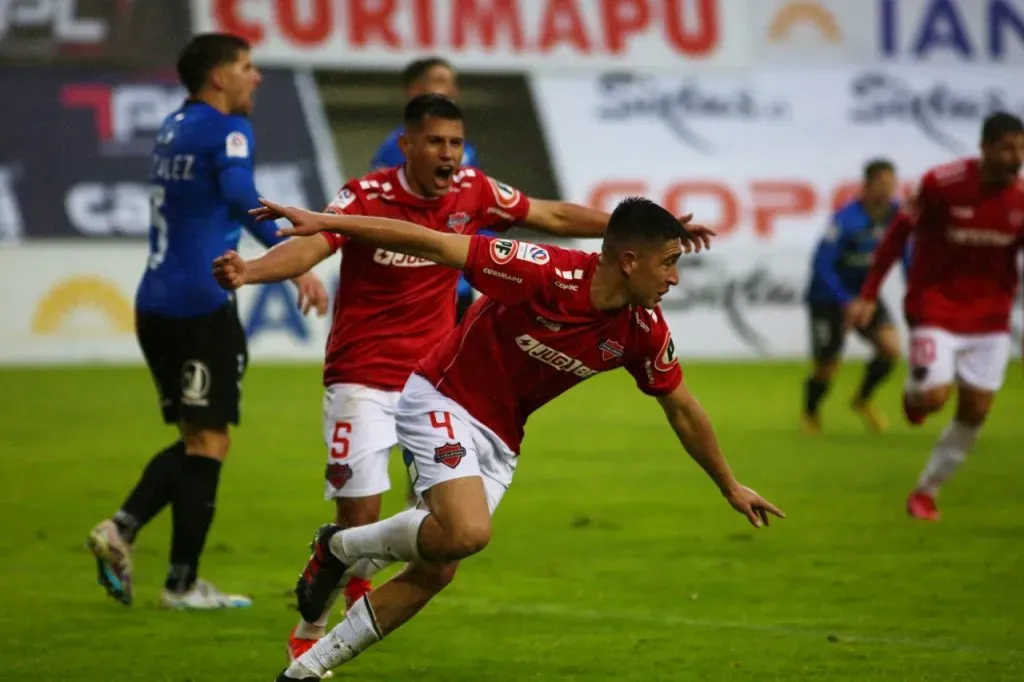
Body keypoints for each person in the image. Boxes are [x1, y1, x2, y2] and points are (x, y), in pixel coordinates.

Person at [213, 94, 713, 663]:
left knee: (443, 541)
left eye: (455, 142)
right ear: (407, 145)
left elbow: (551, 214)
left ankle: (326, 616)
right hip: (368, 375)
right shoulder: (368, 197)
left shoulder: (476, 191)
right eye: (436, 142)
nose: (449, 153)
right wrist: (255, 267)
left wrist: (647, 233)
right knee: (367, 512)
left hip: (453, 380)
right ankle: (312, 622)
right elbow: (324, 244)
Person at [241, 195, 784, 681]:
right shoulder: (541, 271)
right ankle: (341, 548)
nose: (674, 279)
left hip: (503, 435)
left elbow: (683, 409)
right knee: (468, 531)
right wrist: (324, 223)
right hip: (442, 397)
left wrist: (730, 486)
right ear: (628, 260)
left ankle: (309, 660)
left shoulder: (644, 330)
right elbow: (427, 241)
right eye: (668, 263)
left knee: (440, 567)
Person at [85, 32, 329, 610]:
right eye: (246, 66)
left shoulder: (174, 128)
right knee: (211, 441)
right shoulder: (227, 130)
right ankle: (177, 581)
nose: (257, 76)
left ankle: (129, 537)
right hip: (201, 302)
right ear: (219, 78)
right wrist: (292, 256)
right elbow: (241, 190)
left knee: (197, 439)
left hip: (155, 301)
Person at [847, 112, 1024, 521]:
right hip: (935, 308)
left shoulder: (1019, 201)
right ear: (985, 148)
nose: (1016, 157)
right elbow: (897, 235)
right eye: (1008, 148)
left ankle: (926, 492)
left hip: (991, 318)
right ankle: (915, 395)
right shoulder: (941, 185)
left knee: (975, 411)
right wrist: (870, 293)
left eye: (1020, 148)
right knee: (933, 397)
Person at [370, 56, 480, 324]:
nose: (451, 90)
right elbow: (384, 215)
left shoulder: (466, 149)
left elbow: (475, 210)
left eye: (453, 83)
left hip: (458, 282)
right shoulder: (396, 149)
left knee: (458, 363)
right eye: (441, 82)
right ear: (415, 91)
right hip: (417, 285)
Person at [802, 159, 904, 434]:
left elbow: (907, 253)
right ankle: (810, 413)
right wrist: (844, 300)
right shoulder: (846, 219)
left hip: (865, 295)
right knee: (827, 366)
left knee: (891, 348)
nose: (887, 191)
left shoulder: (897, 216)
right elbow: (822, 264)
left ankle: (862, 399)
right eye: (881, 185)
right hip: (828, 297)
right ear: (867, 186)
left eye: (891, 185)